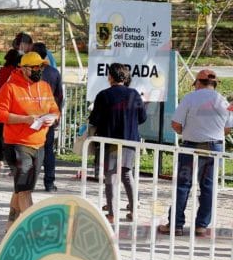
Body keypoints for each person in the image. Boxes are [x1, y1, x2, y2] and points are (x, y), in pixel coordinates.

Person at [158, 69, 233, 237]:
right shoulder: (223, 101)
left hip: (191, 146)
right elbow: (228, 128)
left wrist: (186, 131)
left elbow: (176, 124)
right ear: (215, 84)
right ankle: (201, 226)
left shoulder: (190, 98)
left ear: (198, 82)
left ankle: (176, 225)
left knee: (183, 185)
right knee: (208, 187)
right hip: (214, 148)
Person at [0, 51, 60, 231]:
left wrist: (53, 118)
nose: (39, 70)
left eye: (41, 67)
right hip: (17, 144)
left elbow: (54, 109)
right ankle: (35, 229)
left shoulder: (44, 87)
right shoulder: (10, 87)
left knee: (21, 188)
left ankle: (10, 225)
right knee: (24, 190)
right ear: (23, 69)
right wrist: (25, 119)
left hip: (39, 144)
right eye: (35, 67)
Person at [88, 63, 147, 224]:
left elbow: (94, 119)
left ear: (110, 77)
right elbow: (142, 118)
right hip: (130, 141)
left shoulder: (104, 95)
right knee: (127, 174)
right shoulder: (134, 94)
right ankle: (134, 211)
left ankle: (112, 214)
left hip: (110, 141)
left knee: (111, 176)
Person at [32, 42, 63, 192]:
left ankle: (29, 181)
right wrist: (57, 116)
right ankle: (49, 183)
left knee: (30, 149)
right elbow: (59, 96)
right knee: (48, 149)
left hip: (30, 116)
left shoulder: (28, 71)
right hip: (48, 116)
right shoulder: (54, 72)